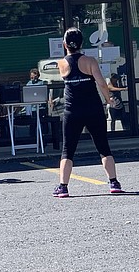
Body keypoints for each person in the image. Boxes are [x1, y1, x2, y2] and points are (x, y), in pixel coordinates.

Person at [53, 27, 123, 197]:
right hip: (93, 108)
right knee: (103, 147)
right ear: (82, 43)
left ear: (64, 44)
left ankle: (63, 186)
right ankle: (113, 182)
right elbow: (101, 83)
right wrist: (109, 99)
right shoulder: (90, 61)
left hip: (72, 110)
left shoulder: (61, 63)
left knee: (67, 150)